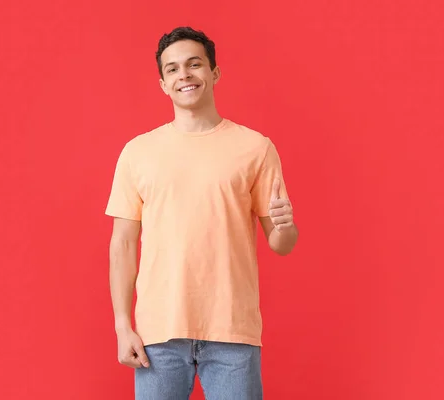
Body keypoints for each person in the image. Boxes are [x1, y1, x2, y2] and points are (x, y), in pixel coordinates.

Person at [105, 26, 299, 400]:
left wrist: (285, 225)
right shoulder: (138, 152)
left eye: (195, 64)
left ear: (214, 72)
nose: (185, 75)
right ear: (163, 83)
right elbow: (123, 245)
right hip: (158, 334)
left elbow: (281, 243)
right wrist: (121, 326)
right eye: (173, 69)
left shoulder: (255, 148)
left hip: (232, 331)